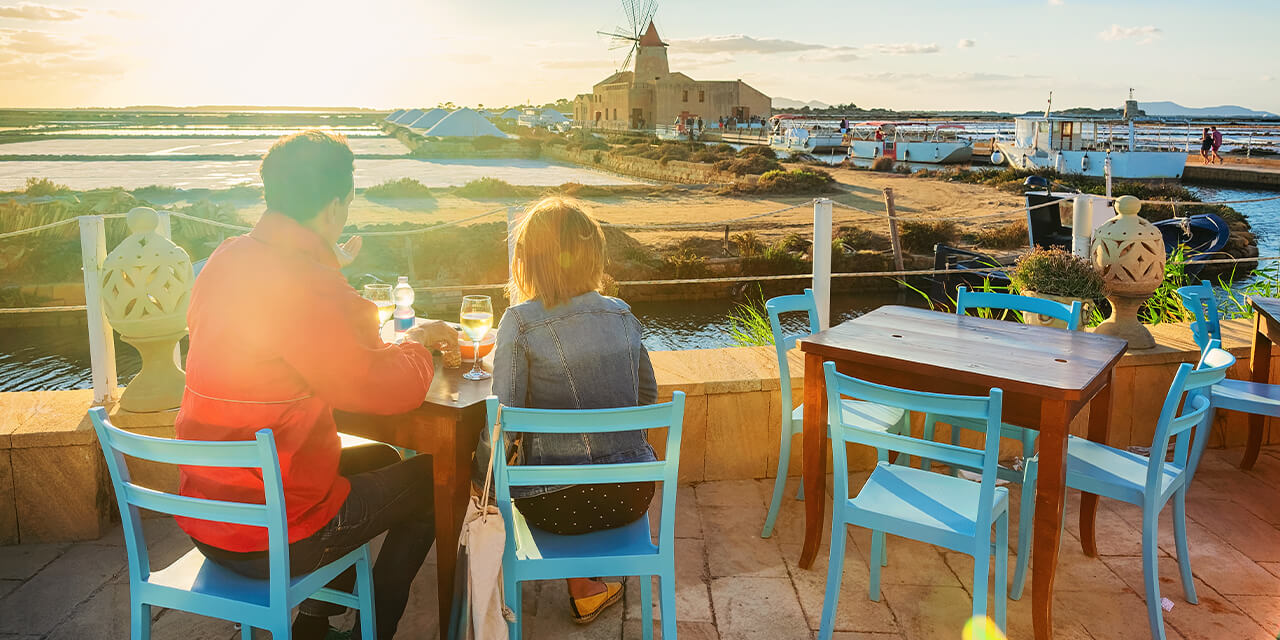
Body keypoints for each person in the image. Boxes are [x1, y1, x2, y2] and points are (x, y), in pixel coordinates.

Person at [176, 130, 459, 640]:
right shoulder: (307, 283)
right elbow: (384, 388)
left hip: (209, 520)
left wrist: (325, 264)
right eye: (347, 205)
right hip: (277, 537)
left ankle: (315, 620)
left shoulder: (226, 260)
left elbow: (293, 342)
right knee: (436, 480)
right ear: (334, 207)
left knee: (380, 462)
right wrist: (418, 341)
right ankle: (374, 631)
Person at [474, 197, 658, 625]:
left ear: (527, 262)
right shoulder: (624, 315)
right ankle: (587, 588)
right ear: (593, 255)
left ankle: (567, 587)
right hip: (631, 495)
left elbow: (504, 418)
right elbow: (646, 395)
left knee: (545, 477)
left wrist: (475, 476)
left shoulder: (520, 322)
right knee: (589, 473)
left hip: (552, 506)